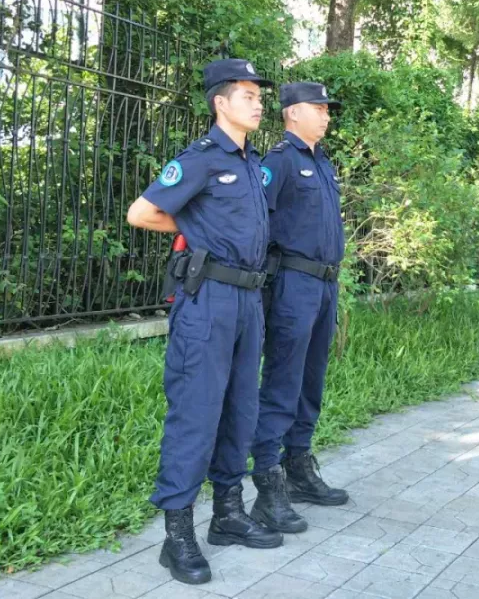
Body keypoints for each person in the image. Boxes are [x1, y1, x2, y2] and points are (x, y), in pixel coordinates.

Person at [126, 58, 281, 586]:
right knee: (196, 413)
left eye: (260, 97)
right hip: (209, 299)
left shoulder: (251, 162)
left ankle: (228, 514)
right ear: (221, 102)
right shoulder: (200, 159)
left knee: (241, 408)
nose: (258, 104)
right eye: (248, 96)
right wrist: (197, 227)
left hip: (248, 301)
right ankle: (177, 535)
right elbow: (141, 213)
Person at [249, 82, 349, 535]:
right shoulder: (279, 162)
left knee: (311, 379)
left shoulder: (323, 163)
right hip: (293, 283)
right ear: (292, 113)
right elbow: (257, 223)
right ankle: (267, 482)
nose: (326, 115)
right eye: (318, 108)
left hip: (325, 284)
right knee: (283, 380)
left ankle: (299, 467)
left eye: (328, 109)